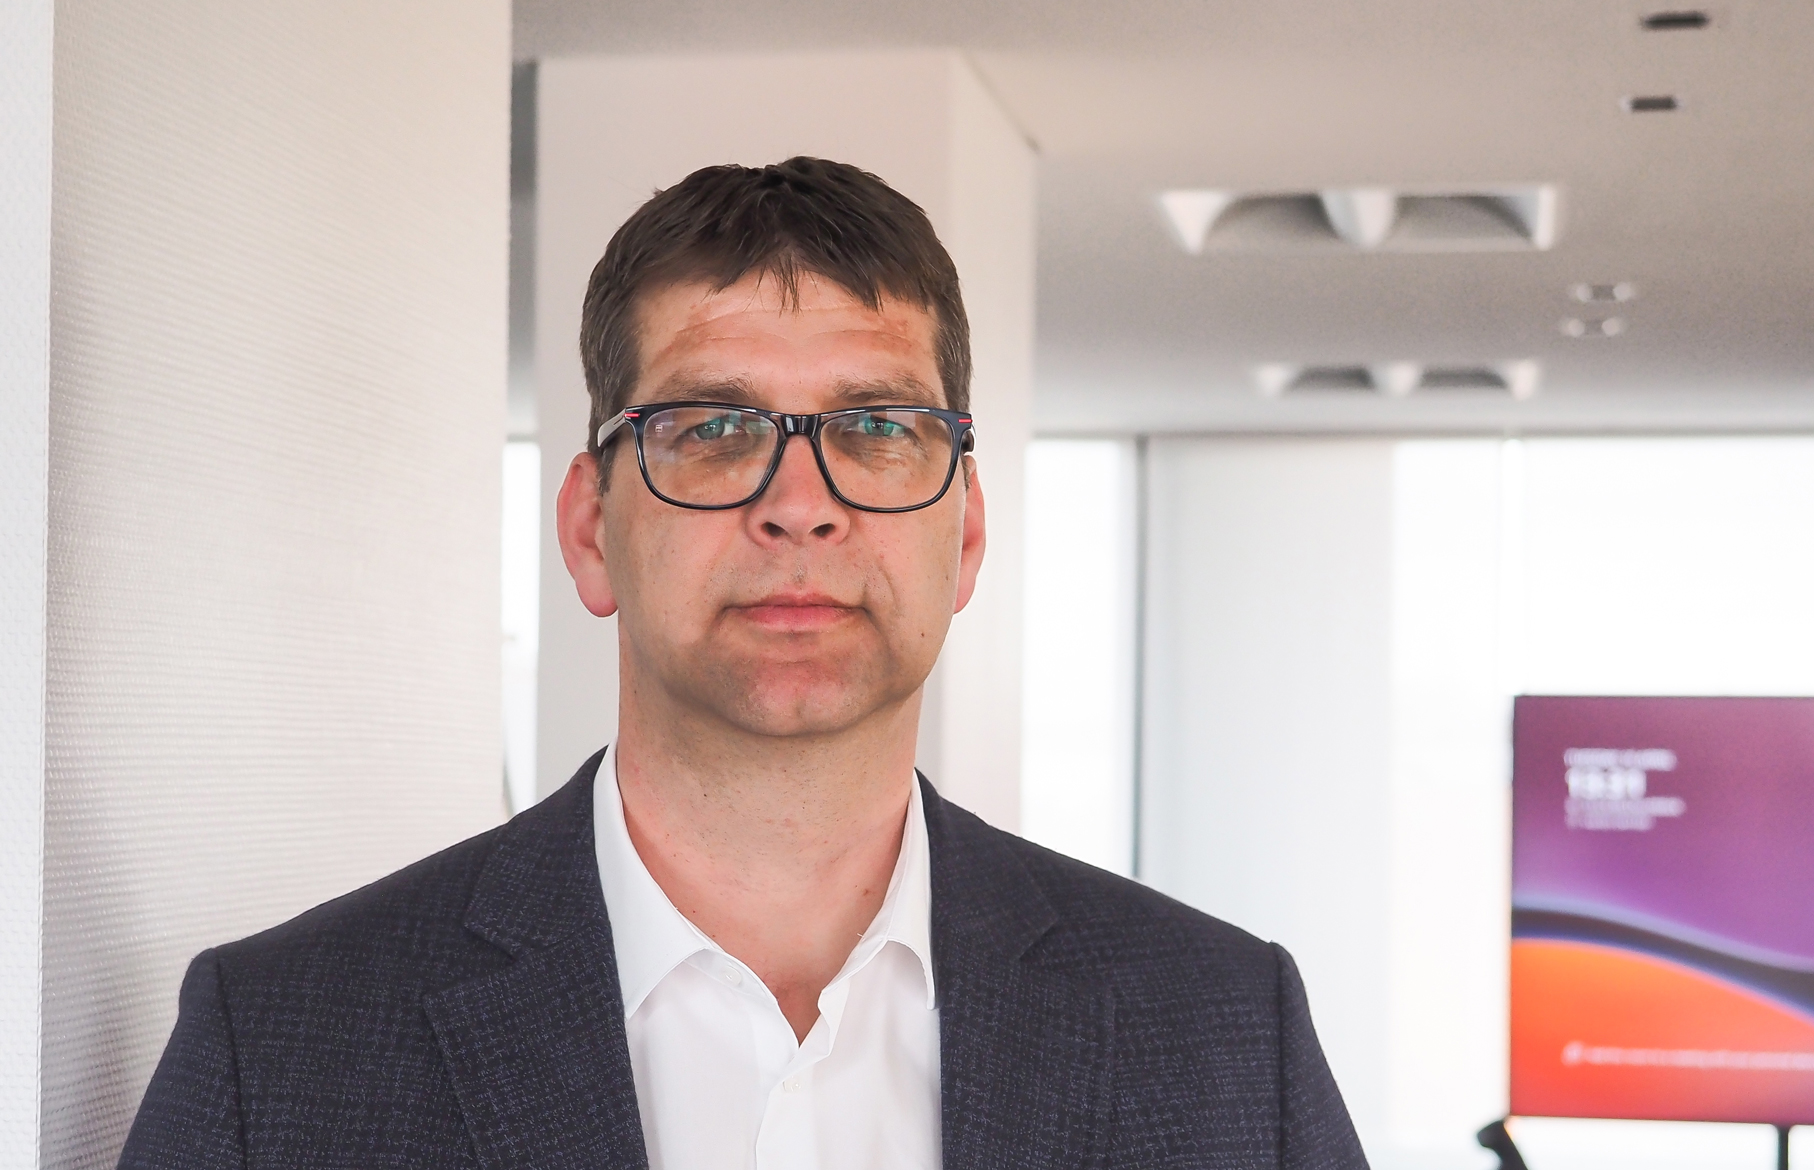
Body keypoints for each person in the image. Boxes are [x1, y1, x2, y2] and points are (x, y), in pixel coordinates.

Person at [119, 156, 1367, 1170]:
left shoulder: (1222, 1032)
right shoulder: (276, 1048)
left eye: (877, 428)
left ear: (968, 535)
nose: (800, 506)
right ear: (589, 531)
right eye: (713, 428)